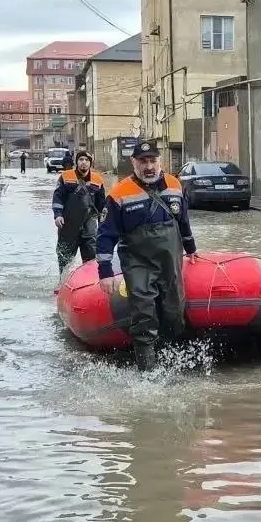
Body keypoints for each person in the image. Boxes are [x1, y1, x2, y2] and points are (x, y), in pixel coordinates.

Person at [95, 140, 197, 371]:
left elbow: (184, 222)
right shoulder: (119, 193)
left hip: (170, 262)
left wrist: (191, 250)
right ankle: (148, 375)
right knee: (144, 316)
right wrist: (105, 272)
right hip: (137, 264)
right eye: (143, 162)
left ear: (159, 161)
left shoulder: (174, 185)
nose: (149, 166)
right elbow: (105, 235)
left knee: (174, 314)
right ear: (134, 163)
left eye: (152, 161)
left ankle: (171, 367)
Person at [52, 150, 106, 276]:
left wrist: (104, 224)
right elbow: (58, 197)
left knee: (91, 258)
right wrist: (58, 215)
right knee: (64, 257)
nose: (84, 163)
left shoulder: (97, 180)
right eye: (81, 159)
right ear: (76, 162)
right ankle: (63, 281)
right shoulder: (66, 177)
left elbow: (102, 205)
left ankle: (89, 282)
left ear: (90, 163)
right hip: (68, 224)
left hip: (89, 225)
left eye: (87, 160)